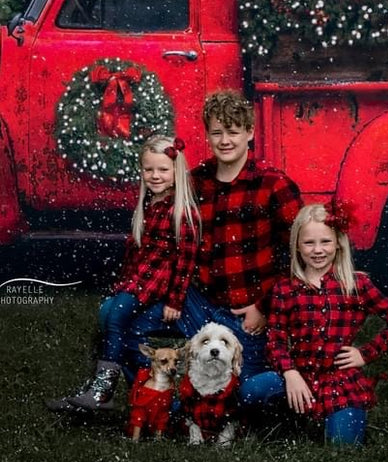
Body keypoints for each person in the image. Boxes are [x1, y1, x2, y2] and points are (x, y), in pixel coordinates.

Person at [123, 90, 303, 382]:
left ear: (250, 132)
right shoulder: (196, 181)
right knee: (127, 323)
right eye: (217, 133)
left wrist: (264, 306)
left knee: (243, 394)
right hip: (198, 303)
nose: (225, 141)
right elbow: (161, 228)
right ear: (207, 135)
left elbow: (297, 255)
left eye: (233, 132)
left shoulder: (273, 184)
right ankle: (155, 397)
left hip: (247, 313)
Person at [47, 135, 200, 411]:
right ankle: (135, 391)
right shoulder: (146, 205)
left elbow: (186, 261)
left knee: (116, 316)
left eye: (163, 170)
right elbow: (135, 254)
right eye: (149, 169)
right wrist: (121, 286)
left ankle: (103, 389)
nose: (155, 176)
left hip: (155, 285)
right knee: (107, 314)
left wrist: (175, 301)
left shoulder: (181, 212)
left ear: (176, 174)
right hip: (136, 280)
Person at [239, 202, 388, 445]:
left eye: (326, 242)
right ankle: (290, 416)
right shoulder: (285, 288)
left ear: (338, 244)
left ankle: (332, 418)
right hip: (299, 373)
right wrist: (290, 373)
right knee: (250, 391)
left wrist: (365, 354)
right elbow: (275, 340)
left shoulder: (356, 285)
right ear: (297, 246)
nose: (318, 250)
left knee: (344, 449)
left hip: (338, 380)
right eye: (309, 243)